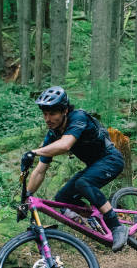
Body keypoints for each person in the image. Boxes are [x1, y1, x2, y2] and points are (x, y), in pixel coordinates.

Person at [21, 86, 128, 251]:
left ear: (64, 111)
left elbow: (65, 145)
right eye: (45, 114)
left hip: (111, 159)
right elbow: (40, 170)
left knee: (84, 183)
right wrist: (26, 197)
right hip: (94, 166)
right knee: (61, 199)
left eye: (52, 114)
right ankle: (93, 216)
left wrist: (33, 152)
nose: (48, 119)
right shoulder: (52, 134)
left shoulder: (78, 117)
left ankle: (117, 226)